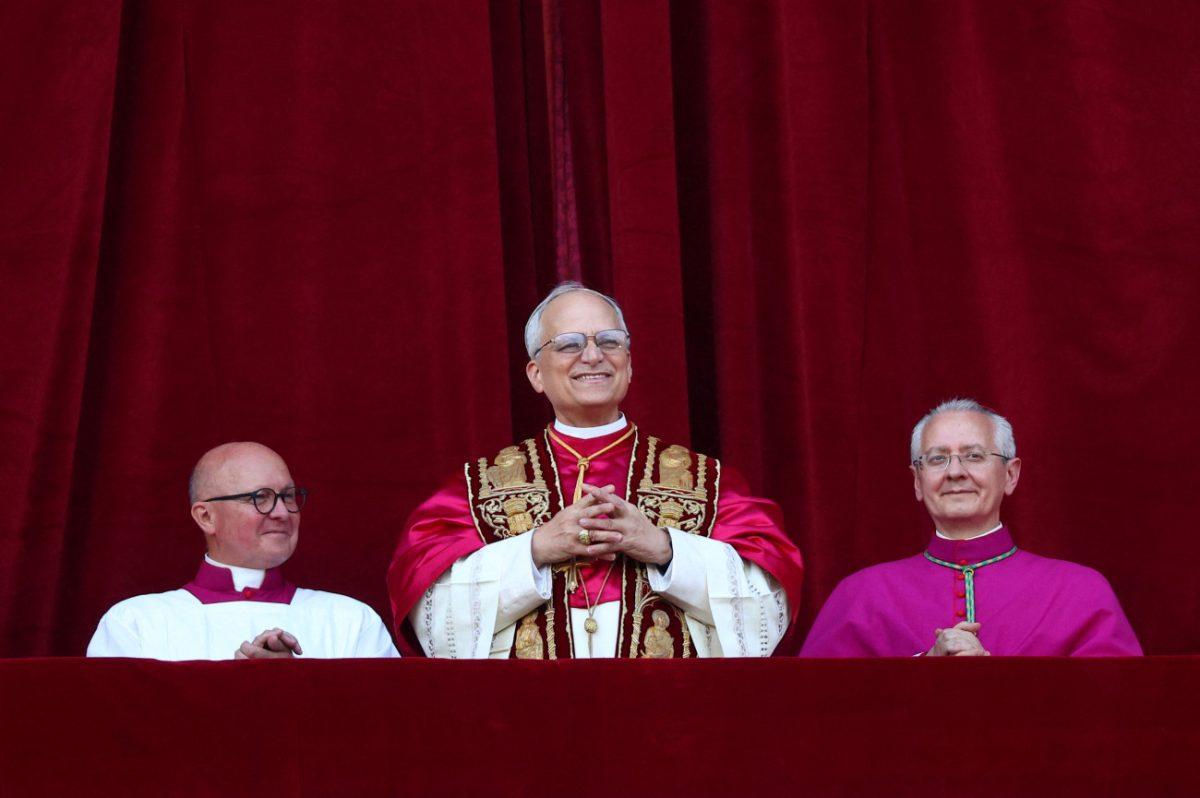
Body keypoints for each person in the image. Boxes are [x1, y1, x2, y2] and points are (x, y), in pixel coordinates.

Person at [388, 282, 804, 658]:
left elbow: (768, 609)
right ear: (536, 374)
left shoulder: (708, 483)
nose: (593, 355)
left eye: (609, 341)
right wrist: (534, 549)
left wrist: (665, 548)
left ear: (629, 362)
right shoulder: (476, 488)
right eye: (569, 344)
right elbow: (431, 620)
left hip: (669, 716)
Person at [801, 398, 1141, 657]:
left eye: (974, 456)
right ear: (917, 482)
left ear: (1010, 475)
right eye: (937, 459)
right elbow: (815, 715)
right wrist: (920, 668)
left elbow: (1117, 713)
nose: (955, 472)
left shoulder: (1080, 594)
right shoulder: (860, 596)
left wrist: (996, 680)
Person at [88, 442, 399, 660]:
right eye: (260, 497)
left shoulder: (351, 620)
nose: (282, 512)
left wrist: (298, 682)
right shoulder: (134, 624)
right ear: (206, 516)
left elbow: (380, 734)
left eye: (288, 496)